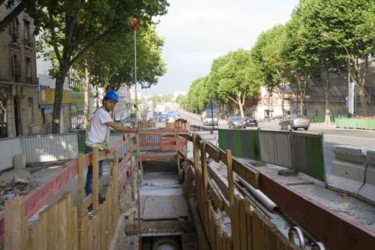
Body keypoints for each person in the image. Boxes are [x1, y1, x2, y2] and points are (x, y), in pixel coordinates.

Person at [84, 90, 137, 199]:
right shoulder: (102, 113)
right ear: (104, 101)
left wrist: (104, 147)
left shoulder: (103, 113)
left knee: (97, 174)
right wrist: (131, 130)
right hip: (93, 148)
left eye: (114, 103)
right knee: (94, 175)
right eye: (110, 102)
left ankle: (94, 198)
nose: (112, 105)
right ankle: (92, 200)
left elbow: (100, 133)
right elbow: (116, 127)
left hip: (97, 147)